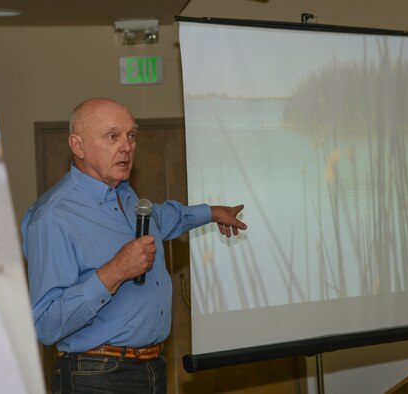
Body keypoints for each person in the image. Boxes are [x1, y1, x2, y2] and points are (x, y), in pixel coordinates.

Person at [21, 98, 246, 394]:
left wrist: (212, 212)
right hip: (96, 377)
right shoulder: (52, 217)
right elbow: (46, 324)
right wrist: (115, 271)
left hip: (151, 369)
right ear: (78, 146)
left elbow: (168, 217)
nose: (127, 147)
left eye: (131, 135)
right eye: (113, 136)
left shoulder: (126, 197)